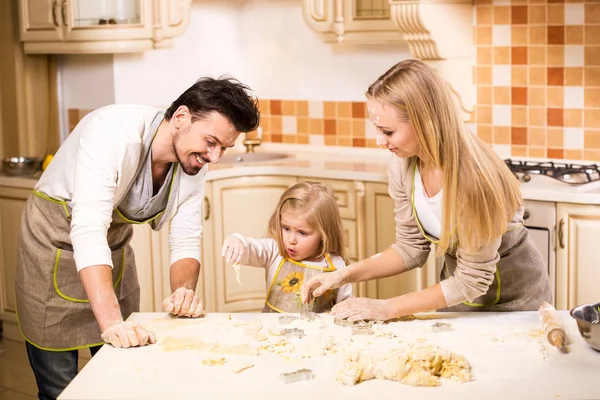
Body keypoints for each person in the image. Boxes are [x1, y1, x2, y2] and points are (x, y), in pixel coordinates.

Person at [15, 76, 260, 399]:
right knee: (62, 389)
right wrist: (113, 322)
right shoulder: (112, 133)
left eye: (224, 149)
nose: (214, 157)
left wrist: (183, 293)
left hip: (111, 250)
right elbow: (88, 229)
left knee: (123, 377)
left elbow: (186, 238)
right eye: (211, 142)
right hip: (53, 245)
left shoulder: (193, 163)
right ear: (182, 117)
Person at [301, 59, 551, 321]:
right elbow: (410, 248)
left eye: (387, 131)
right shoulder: (403, 165)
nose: (379, 141)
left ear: (425, 122)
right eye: (377, 129)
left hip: (516, 303)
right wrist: (343, 275)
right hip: (460, 298)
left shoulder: (475, 179)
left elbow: (472, 280)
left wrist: (386, 308)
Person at [221, 181, 352, 313]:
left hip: (316, 333)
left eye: (302, 233)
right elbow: (250, 248)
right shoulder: (275, 251)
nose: (291, 240)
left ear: (324, 233)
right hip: (270, 332)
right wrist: (235, 241)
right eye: (286, 228)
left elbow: (346, 308)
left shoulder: (336, 266)